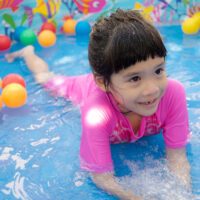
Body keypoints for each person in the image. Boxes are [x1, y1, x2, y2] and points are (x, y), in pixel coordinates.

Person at [5, 9, 191, 200]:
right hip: (83, 90)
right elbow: (102, 178)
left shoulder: (173, 94)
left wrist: (184, 194)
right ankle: (28, 53)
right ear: (103, 82)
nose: (152, 89)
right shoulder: (97, 114)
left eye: (158, 70)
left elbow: (178, 157)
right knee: (46, 79)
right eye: (135, 78)